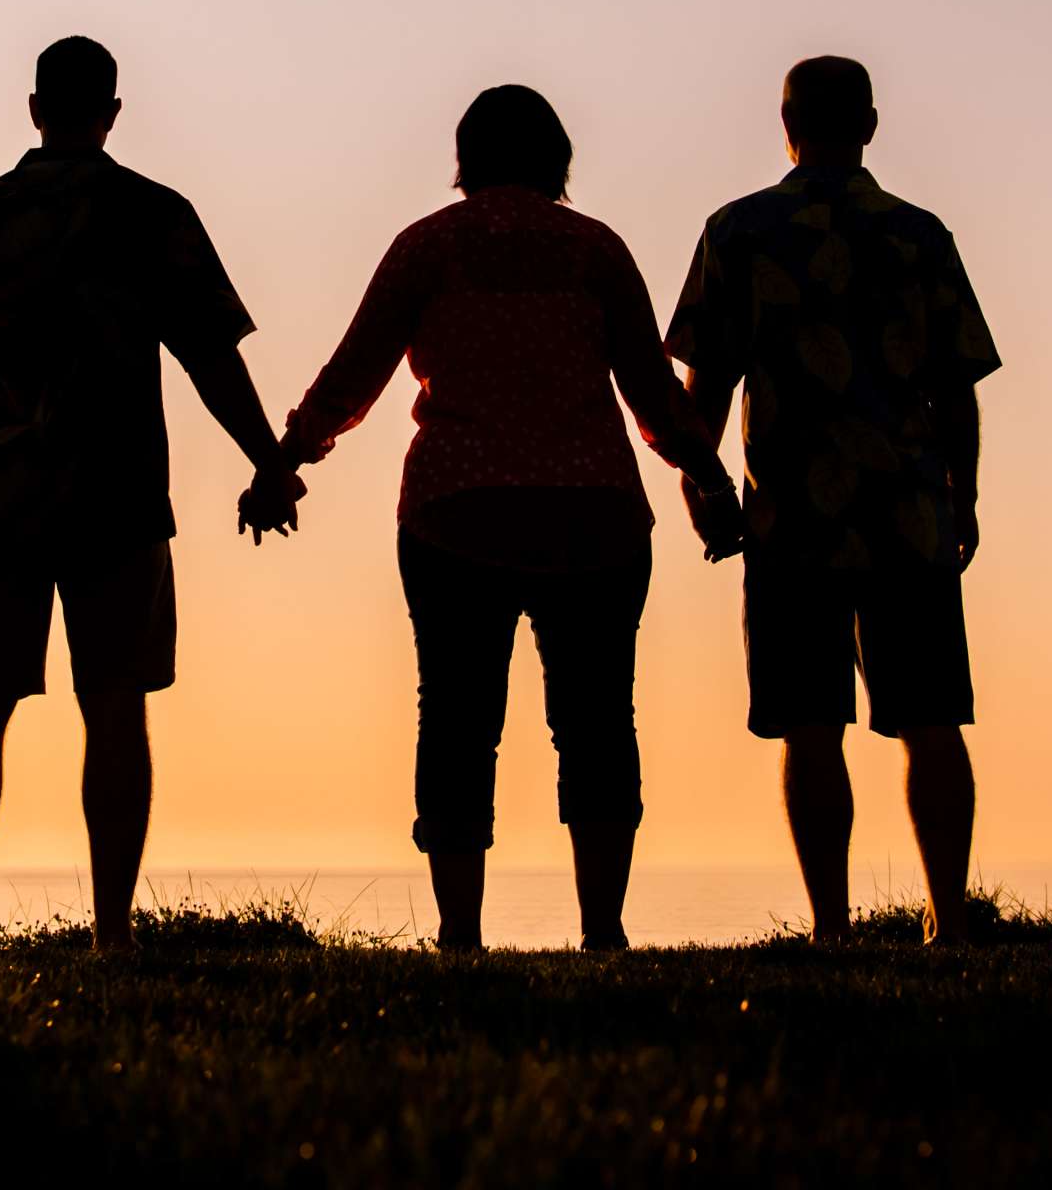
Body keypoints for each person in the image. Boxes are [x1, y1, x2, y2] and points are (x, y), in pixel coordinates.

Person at [273, 86, 737, 952]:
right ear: (557, 157)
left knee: (455, 720)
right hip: (592, 517)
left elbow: (356, 372)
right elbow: (652, 392)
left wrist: (287, 459)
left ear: (466, 158)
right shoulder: (594, 249)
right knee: (598, 722)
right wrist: (709, 475)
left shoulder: (428, 247)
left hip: (459, 514)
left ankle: (460, 934)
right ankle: (604, 931)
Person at [0, 36, 304, 952]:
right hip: (119, 502)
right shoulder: (153, 213)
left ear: (34, 108)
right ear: (112, 113)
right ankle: (112, 931)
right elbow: (212, 359)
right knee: (116, 707)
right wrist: (267, 460)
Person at [665, 56, 1001, 946]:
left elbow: (705, 381)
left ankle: (831, 927)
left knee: (808, 722)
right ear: (872, 124)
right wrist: (963, 495)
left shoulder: (739, 231)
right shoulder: (919, 234)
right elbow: (959, 384)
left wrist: (701, 482)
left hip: (791, 513)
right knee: (931, 718)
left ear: (787, 123)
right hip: (908, 506)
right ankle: (952, 921)